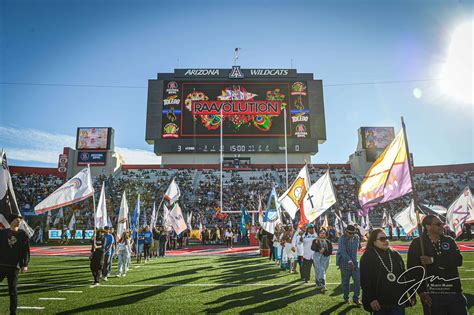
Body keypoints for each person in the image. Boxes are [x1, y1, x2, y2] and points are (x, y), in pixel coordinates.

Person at [407, 215, 467, 315]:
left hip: (454, 291)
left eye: (442, 223)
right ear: (428, 226)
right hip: (432, 294)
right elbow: (413, 270)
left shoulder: (449, 240)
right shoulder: (417, 243)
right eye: (438, 224)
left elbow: (458, 260)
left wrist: (433, 260)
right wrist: (421, 292)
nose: (442, 226)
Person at [361, 228, 415, 314]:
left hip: (398, 301)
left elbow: (405, 275)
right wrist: (371, 299)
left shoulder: (395, 254)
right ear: (373, 241)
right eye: (382, 239)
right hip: (379, 303)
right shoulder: (367, 257)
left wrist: (412, 293)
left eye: (386, 238)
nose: (386, 241)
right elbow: (365, 281)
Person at [0, 214, 30, 315]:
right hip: (1, 264)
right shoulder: (2, 233)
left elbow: (25, 251)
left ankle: (13, 312)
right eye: (17, 220)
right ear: (11, 221)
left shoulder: (23, 234)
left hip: (14, 266)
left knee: (13, 291)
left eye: (20, 221)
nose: (19, 222)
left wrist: (24, 264)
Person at [336, 224, 361, 305]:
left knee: (358, 281)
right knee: (345, 282)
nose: (352, 235)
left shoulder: (356, 237)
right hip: (344, 263)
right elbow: (343, 252)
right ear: (346, 232)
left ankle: (356, 298)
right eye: (350, 233)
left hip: (354, 262)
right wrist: (349, 261)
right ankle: (346, 298)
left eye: (353, 233)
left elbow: (354, 252)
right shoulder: (341, 239)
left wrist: (353, 262)